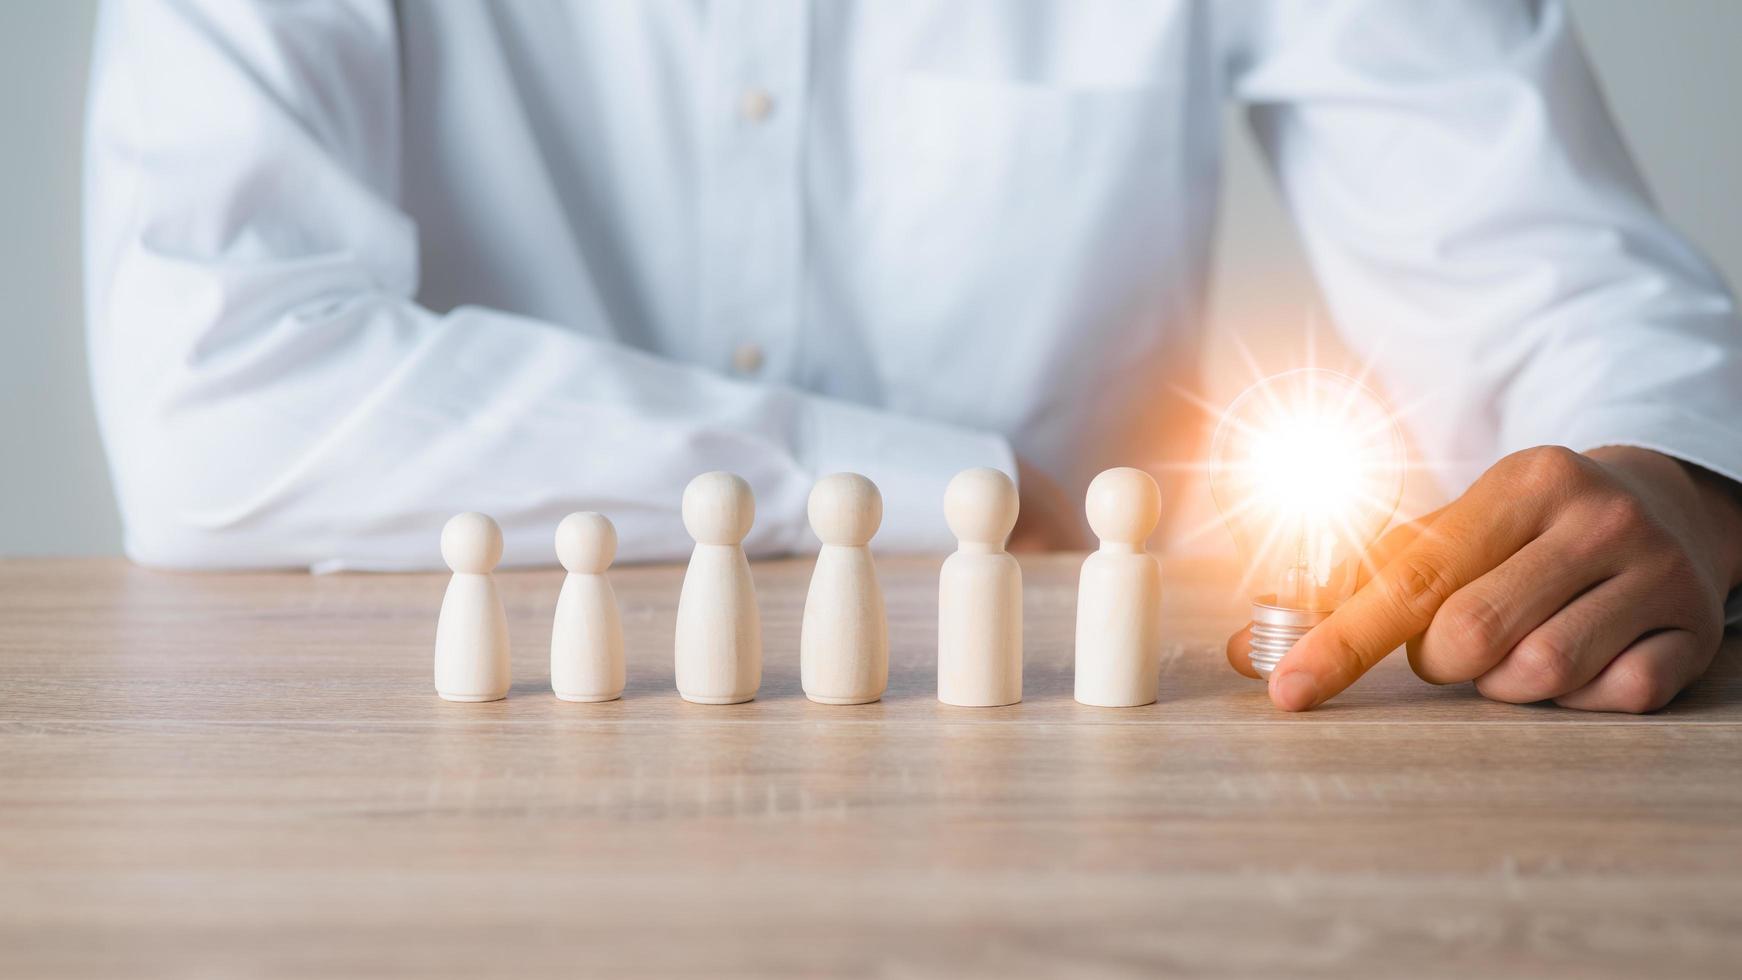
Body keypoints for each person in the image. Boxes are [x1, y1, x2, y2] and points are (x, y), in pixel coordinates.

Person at [83, 0, 1741, 713]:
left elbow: (1555, 274)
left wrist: (1667, 472)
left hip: (1064, 817)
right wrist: (965, 488)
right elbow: (212, 396)